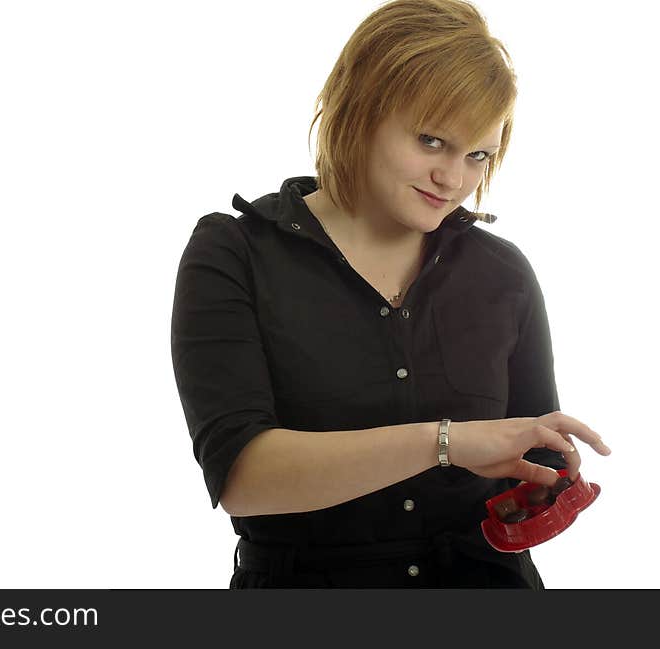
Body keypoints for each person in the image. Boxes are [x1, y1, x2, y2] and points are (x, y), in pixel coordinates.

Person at [170, 0, 611, 588]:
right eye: (431, 141)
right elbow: (243, 480)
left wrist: (546, 481)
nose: (453, 178)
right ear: (359, 112)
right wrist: (446, 443)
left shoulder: (503, 274)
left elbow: (531, 456)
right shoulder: (234, 255)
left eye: (477, 154)